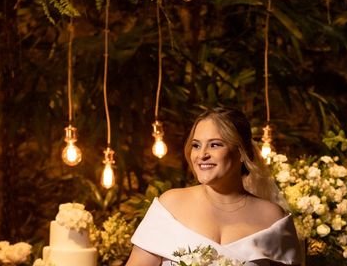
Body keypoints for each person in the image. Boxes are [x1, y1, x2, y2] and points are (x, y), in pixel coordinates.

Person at [126, 107, 303, 266]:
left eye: (215, 144)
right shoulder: (170, 204)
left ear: (242, 152)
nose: (202, 154)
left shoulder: (272, 218)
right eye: (196, 145)